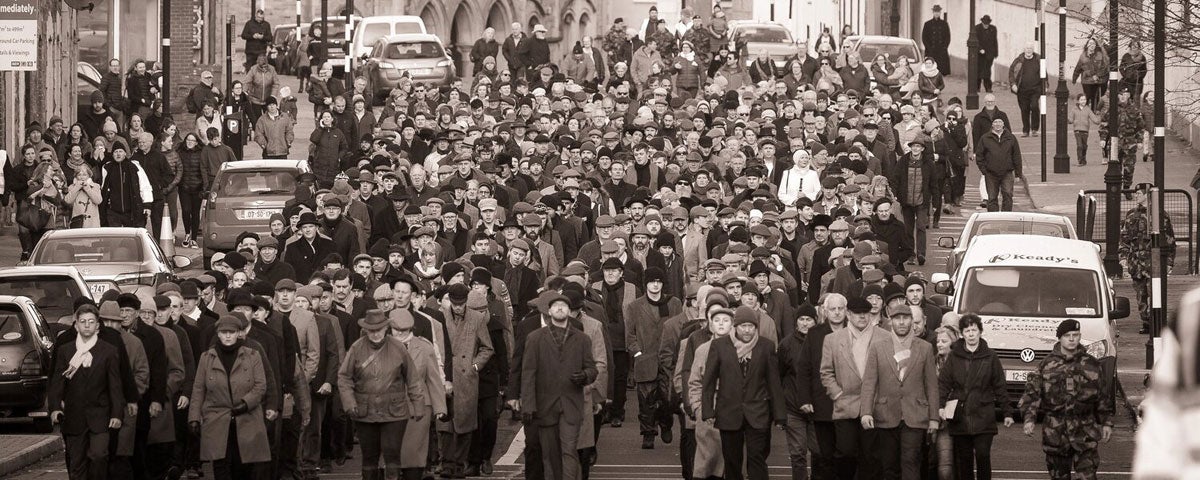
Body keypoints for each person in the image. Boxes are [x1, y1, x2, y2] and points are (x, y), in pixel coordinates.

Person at [1019, 319, 1114, 480]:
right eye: (1067, 335)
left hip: (1085, 432)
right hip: (1056, 433)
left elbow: (1102, 396)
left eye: (1075, 335)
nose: (1071, 339)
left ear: (1080, 337)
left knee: (1088, 477)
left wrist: (1106, 422)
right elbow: (1032, 395)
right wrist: (1029, 418)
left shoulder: (1091, 365)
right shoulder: (1046, 365)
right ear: (1059, 338)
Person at [337, 309, 424, 479]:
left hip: (394, 411)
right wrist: (349, 402)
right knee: (369, 457)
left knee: (392, 454)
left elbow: (412, 378)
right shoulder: (357, 348)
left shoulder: (398, 347)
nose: (375, 334)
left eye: (379, 330)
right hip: (364, 411)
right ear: (366, 330)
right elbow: (344, 377)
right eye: (372, 330)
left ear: (386, 329)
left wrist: (418, 405)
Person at [520, 291, 599, 480]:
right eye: (556, 306)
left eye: (564, 306)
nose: (560, 308)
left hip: (571, 404)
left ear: (570, 311)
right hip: (545, 406)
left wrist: (585, 375)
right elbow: (528, 373)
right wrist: (528, 405)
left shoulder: (582, 339)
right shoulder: (535, 338)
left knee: (569, 450)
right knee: (550, 455)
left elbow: (592, 368)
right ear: (549, 311)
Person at [701, 305, 785, 480]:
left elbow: (774, 382)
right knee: (732, 461)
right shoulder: (720, 346)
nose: (747, 330)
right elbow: (708, 381)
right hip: (729, 412)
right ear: (735, 326)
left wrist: (779, 415)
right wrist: (707, 410)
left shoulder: (766, 346)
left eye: (751, 326)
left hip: (758, 412)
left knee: (757, 458)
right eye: (743, 326)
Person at [860, 302, 940, 480]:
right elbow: (869, 382)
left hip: (915, 415)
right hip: (885, 414)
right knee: (889, 466)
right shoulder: (878, 347)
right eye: (897, 319)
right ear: (890, 321)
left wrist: (934, 418)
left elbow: (932, 385)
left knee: (911, 461)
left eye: (906, 318)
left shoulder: (925, 348)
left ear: (912, 321)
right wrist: (865, 412)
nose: (902, 322)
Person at [189, 314, 271, 480]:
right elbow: (199, 389)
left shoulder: (253, 355)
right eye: (224, 332)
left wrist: (245, 404)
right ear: (218, 333)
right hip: (217, 419)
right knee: (221, 467)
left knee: (244, 468)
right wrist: (194, 417)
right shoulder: (206, 358)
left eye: (231, 332)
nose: (227, 335)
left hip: (246, 418)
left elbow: (261, 386)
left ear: (239, 333)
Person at [48, 304, 125, 480]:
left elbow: (115, 385)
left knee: (99, 456)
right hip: (74, 417)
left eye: (91, 321)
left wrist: (117, 414)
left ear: (98, 325)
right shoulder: (65, 351)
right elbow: (57, 383)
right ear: (76, 326)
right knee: (77, 463)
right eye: (83, 322)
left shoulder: (109, 351)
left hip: (100, 416)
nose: (87, 325)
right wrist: (54, 408)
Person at [938, 314, 1014, 480]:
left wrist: (1007, 412)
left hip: (984, 414)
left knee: (982, 455)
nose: (971, 334)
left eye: (974, 330)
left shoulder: (990, 356)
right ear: (962, 334)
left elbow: (999, 385)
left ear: (980, 332)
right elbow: (944, 383)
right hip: (960, 415)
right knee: (964, 460)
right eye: (967, 330)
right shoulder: (954, 356)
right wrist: (941, 406)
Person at [437, 284, 495, 478]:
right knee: (444, 422)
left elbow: (487, 347)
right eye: (455, 304)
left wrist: (475, 366)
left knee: (465, 421)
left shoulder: (477, 319)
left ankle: (460, 465)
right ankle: (447, 463)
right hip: (445, 373)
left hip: (466, 376)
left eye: (461, 304)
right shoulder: (441, 316)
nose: (458, 307)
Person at [626, 267, 683, 449]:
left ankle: (666, 423)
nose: (655, 285)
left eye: (659, 281)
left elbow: (681, 328)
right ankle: (648, 433)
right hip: (645, 359)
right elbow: (630, 335)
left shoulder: (673, 303)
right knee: (646, 399)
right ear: (646, 284)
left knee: (668, 397)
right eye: (652, 281)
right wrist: (637, 353)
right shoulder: (634, 306)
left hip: (668, 358)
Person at [1119, 183, 1176, 334]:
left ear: (1147, 195)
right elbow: (1124, 238)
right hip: (1137, 262)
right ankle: (1146, 321)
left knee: (1155, 292)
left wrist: (1169, 261)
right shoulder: (1131, 215)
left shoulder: (1159, 215)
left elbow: (1169, 239)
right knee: (1140, 295)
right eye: (1136, 193)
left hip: (1154, 262)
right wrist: (1123, 256)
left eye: (1139, 193)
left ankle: (1156, 322)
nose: (1136, 195)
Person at [975, 117, 1023, 212]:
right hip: (991, 173)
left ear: (1003, 124)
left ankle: (1006, 216)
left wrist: (1018, 174)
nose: (997, 124)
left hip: (1007, 172)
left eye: (1000, 122)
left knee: (1008, 195)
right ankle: (993, 217)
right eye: (995, 122)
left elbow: (1016, 156)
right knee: (992, 197)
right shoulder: (985, 138)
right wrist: (984, 170)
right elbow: (979, 156)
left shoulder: (1011, 138)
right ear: (992, 124)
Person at [1008, 42, 1043, 137]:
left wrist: (1045, 85)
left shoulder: (1038, 60)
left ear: (1033, 50)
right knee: (1024, 109)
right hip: (1022, 90)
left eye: (1030, 48)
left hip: (1035, 89)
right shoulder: (1019, 60)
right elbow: (1011, 72)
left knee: (1035, 106)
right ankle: (1026, 130)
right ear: (1024, 50)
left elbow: (1044, 73)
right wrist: (1013, 84)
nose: (1029, 50)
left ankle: (1035, 129)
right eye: (1027, 48)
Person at [1073, 38, 1109, 109]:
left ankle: (1093, 112)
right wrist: (1074, 78)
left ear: (1096, 45)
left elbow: (1104, 67)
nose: (1092, 45)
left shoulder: (1099, 55)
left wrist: (1097, 75)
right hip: (1086, 80)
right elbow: (1078, 68)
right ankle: (1083, 112)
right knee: (1087, 96)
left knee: (1094, 97)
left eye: (1094, 44)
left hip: (1096, 80)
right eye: (1090, 43)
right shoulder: (1083, 56)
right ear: (1087, 45)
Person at [921, 5, 951, 75]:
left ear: (940, 13)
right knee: (930, 71)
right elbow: (924, 37)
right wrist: (929, 48)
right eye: (935, 12)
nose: (936, 13)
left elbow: (948, 37)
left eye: (938, 12)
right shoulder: (927, 24)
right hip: (931, 51)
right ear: (933, 12)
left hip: (941, 51)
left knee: (941, 72)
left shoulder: (944, 24)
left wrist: (944, 47)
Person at [974, 15, 998, 93]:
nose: (986, 26)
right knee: (978, 71)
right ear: (982, 23)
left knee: (987, 71)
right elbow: (975, 40)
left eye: (987, 24)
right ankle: (977, 87)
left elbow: (995, 41)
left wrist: (995, 52)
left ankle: (988, 87)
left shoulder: (993, 29)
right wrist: (980, 49)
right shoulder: (977, 28)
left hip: (989, 54)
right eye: (984, 24)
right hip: (979, 54)